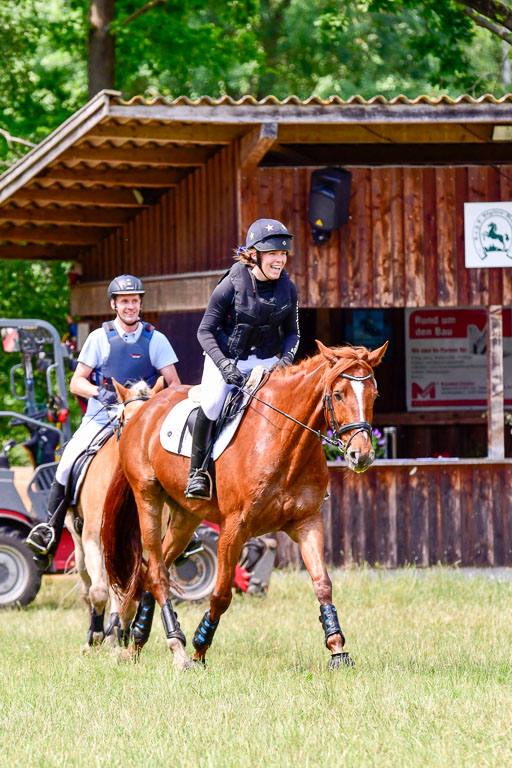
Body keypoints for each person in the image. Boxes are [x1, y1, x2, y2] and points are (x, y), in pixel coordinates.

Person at [26, 274, 181, 571]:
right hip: (102, 416)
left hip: (143, 422)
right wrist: (102, 392)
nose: (130, 306)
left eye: (135, 301)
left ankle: (186, 532)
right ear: (114, 304)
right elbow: (76, 383)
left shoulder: (155, 339)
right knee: (68, 460)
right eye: (124, 301)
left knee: (173, 460)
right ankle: (50, 530)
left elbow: (174, 383)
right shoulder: (100, 338)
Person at [185, 218, 300, 500]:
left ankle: (299, 475)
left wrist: (283, 363)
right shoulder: (230, 285)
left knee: (296, 406)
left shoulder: (289, 288)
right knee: (212, 405)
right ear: (255, 255)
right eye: (273, 254)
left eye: (283, 254)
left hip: (266, 363)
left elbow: (293, 335)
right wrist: (224, 366)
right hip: (224, 359)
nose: (279, 261)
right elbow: (204, 331)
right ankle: (197, 473)